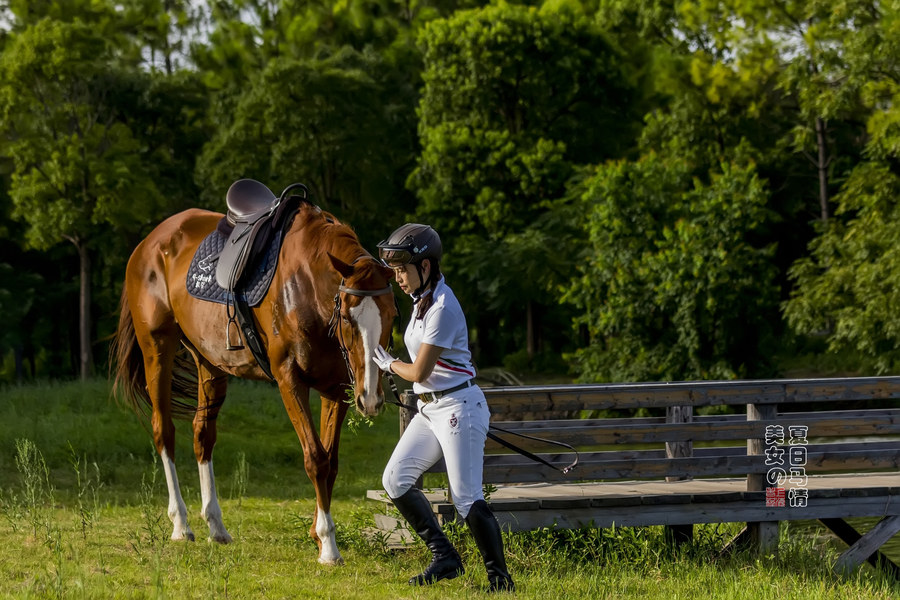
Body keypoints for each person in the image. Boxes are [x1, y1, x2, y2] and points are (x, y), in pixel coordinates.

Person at [372, 223, 515, 593]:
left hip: (458, 406)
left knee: (466, 497)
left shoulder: (443, 307)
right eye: (397, 271)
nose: (398, 277)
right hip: (431, 408)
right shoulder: (421, 304)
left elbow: (418, 370)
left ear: (427, 266)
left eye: (403, 270)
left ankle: (501, 581)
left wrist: (388, 364)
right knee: (395, 479)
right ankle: (445, 556)